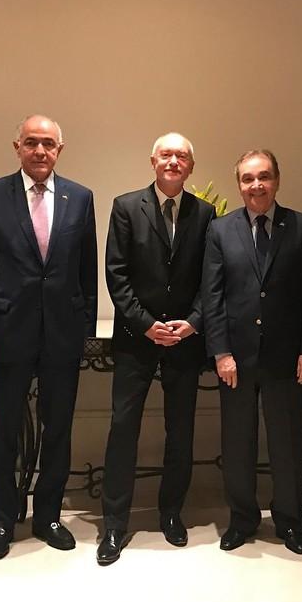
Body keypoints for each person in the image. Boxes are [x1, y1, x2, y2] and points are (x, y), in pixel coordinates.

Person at [0, 115, 97, 560]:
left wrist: (85, 331)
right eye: (31, 143)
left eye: (48, 143)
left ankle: (48, 517)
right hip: (8, 332)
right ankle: (2, 520)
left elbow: (86, 269)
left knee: (57, 429)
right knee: (4, 430)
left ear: (60, 149)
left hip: (62, 333)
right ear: (17, 147)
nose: (40, 151)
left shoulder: (80, 197)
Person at [97, 132, 215, 565]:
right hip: (136, 340)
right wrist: (146, 325)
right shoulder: (127, 207)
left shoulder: (205, 213)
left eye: (181, 156)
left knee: (180, 431)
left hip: (185, 340)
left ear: (190, 167)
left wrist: (194, 322)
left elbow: (210, 277)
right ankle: (114, 524)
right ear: (153, 161)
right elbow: (116, 274)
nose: (173, 161)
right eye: (166, 154)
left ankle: (171, 513)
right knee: (123, 429)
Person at [202, 150, 302, 555]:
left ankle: (290, 521)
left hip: (287, 357)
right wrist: (221, 352)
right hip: (236, 359)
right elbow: (212, 296)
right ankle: (242, 519)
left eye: (264, 177)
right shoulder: (220, 230)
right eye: (248, 179)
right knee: (237, 443)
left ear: (277, 180)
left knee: (288, 444)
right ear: (239, 184)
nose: (257, 185)